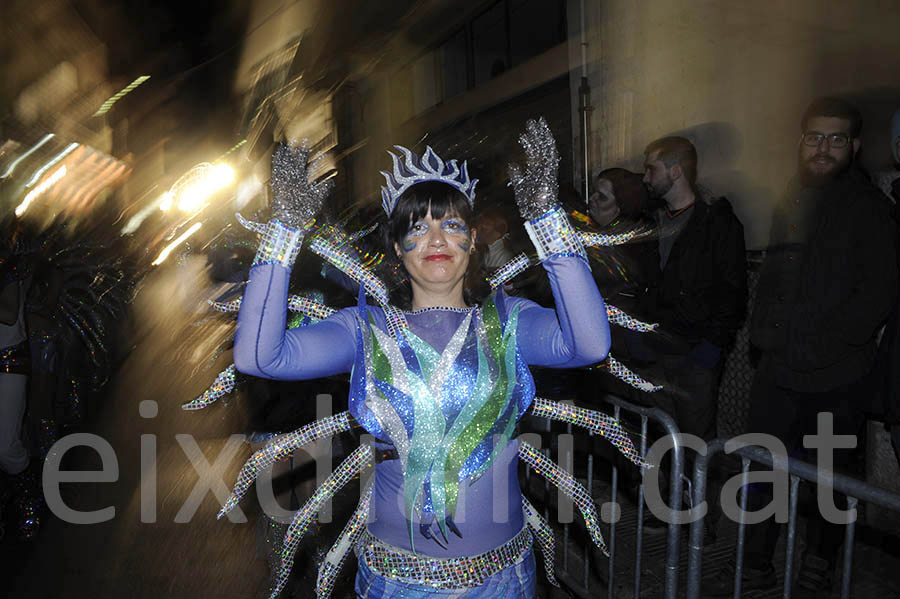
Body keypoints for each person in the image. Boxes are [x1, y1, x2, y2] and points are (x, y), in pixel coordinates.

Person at [232, 119, 624, 598]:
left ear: (472, 242)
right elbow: (259, 358)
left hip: (505, 581)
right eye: (418, 227)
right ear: (398, 249)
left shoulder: (510, 322)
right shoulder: (366, 330)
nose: (437, 238)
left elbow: (589, 344)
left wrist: (547, 218)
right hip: (396, 585)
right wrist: (284, 230)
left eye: (452, 224)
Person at [707, 98, 898, 597]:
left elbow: (878, 293)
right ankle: (753, 564)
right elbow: (774, 274)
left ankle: (819, 563)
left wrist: (828, 346)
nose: (823, 147)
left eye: (836, 139)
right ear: (801, 141)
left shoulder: (873, 210)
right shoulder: (792, 197)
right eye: (815, 137)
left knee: (830, 480)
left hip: (838, 377)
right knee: (762, 470)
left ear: (854, 147)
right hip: (778, 371)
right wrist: (766, 339)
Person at [637, 136, 747, 444]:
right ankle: (667, 493)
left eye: (651, 169)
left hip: (693, 353)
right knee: (661, 440)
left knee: (696, 443)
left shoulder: (716, 222)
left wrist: (712, 345)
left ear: (675, 171)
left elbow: (732, 290)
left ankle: (698, 494)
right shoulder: (654, 221)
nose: (645, 178)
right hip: (658, 352)